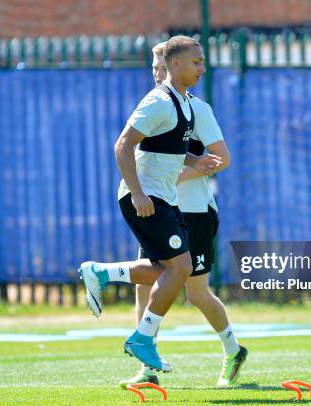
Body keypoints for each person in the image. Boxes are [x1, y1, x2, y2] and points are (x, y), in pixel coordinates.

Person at [77, 36, 222, 373]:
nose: (203, 67)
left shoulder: (183, 102)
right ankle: (142, 338)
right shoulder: (158, 101)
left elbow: (165, 144)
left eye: (202, 61)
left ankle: (100, 272)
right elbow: (123, 145)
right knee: (181, 269)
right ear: (175, 65)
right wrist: (139, 193)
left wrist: (194, 160)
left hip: (163, 198)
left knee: (167, 271)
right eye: (196, 62)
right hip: (145, 198)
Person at [118, 42, 247, 388]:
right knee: (147, 287)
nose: (158, 75)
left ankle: (233, 350)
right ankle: (148, 368)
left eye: (162, 68)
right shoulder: (157, 105)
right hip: (161, 209)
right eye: (154, 69)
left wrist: (184, 172)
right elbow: (130, 149)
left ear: (174, 66)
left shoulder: (196, 108)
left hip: (194, 212)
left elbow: (223, 158)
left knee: (196, 294)